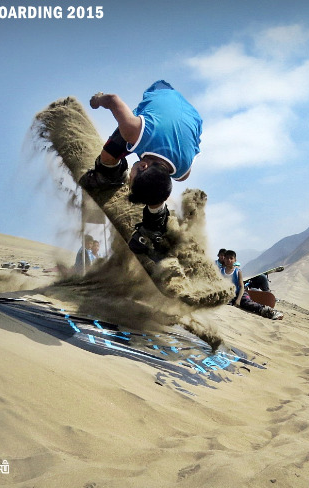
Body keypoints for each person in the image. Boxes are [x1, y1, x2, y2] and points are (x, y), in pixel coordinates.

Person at [80, 80, 202, 259]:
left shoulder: (183, 171)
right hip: (161, 102)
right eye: (131, 177)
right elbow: (113, 100)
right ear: (144, 165)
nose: (129, 178)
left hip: (190, 117)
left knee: (156, 190)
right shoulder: (134, 130)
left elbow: (161, 184)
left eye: (130, 177)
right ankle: (108, 174)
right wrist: (98, 100)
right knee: (108, 157)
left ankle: (153, 227)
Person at [220, 250, 283, 320]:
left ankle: (272, 312)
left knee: (248, 304)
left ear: (235, 260)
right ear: (224, 259)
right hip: (228, 295)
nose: (229, 260)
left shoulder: (237, 272)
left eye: (231, 258)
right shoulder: (220, 271)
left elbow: (241, 287)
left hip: (240, 294)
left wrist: (238, 300)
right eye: (227, 258)